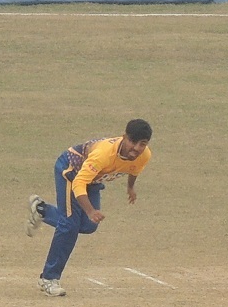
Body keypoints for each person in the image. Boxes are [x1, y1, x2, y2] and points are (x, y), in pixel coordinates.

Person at [25, 119, 152, 296]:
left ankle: (42, 211)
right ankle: (48, 278)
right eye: (133, 142)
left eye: (142, 144)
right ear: (124, 138)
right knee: (69, 225)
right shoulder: (104, 154)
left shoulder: (144, 155)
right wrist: (90, 210)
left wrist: (130, 187)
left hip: (92, 179)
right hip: (70, 171)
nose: (136, 148)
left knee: (88, 225)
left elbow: (134, 169)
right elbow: (78, 183)